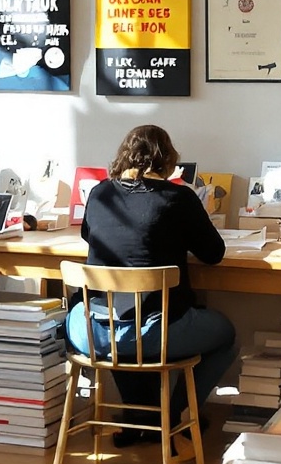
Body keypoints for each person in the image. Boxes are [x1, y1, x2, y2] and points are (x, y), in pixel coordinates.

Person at [68, 124, 237, 437]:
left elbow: (88, 234)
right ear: (169, 160)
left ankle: (138, 417)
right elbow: (214, 253)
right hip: (151, 332)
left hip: (92, 333)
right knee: (224, 333)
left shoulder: (100, 192)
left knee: (123, 320)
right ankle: (175, 415)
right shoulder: (178, 198)